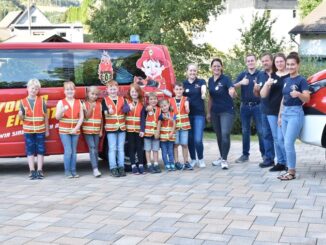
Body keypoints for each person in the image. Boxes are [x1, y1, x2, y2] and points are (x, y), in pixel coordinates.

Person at [278, 52, 310, 180]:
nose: (290, 67)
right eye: (288, 64)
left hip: (295, 114)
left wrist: (298, 94)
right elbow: (283, 99)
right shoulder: (286, 80)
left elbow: (307, 98)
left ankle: (291, 172)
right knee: (285, 143)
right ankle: (289, 169)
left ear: (298, 65)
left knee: (288, 143)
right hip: (285, 114)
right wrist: (280, 115)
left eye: (293, 64)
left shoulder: (301, 80)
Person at [234, 54, 265, 163]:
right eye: (248, 61)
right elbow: (232, 87)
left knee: (261, 131)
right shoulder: (243, 75)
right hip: (245, 106)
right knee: (245, 131)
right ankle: (245, 155)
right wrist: (241, 83)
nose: (250, 62)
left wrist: (258, 87)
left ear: (256, 61)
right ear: (246, 63)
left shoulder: (261, 74)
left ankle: (264, 155)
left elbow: (264, 87)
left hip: (258, 106)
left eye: (252, 60)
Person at [260, 53, 288, 172]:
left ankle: (288, 162)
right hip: (272, 111)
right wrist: (267, 84)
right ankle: (280, 162)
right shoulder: (272, 76)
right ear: (274, 63)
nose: (279, 64)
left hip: (285, 111)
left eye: (281, 61)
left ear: (285, 62)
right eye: (277, 62)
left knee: (283, 138)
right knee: (276, 138)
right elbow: (263, 94)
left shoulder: (289, 76)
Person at [207, 58, 236, 170]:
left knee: (225, 134)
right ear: (211, 68)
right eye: (214, 66)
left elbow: (232, 90)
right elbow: (210, 98)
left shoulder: (226, 79)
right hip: (215, 112)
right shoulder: (210, 80)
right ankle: (221, 156)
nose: (216, 68)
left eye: (218, 66)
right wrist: (208, 112)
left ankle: (224, 159)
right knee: (219, 135)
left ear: (221, 67)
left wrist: (232, 92)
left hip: (227, 111)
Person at [18, 78, 49, 180]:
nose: (33, 90)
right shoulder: (22, 102)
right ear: (27, 88)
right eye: (32, 88)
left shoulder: (42, 101)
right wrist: (20, 115)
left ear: (38, 90)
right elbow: (22, 118)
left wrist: (47, 130)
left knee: (41, 150)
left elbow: (45, 116)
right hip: (28, 131)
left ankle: (39, 170)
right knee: (30, 151)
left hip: (40, 130)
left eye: (36, 89)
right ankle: (32, 171)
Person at [56, 81, 84, 178]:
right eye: (67, 89)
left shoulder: (78, 102)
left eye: (71, 89)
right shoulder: (61, 102)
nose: (69, 91)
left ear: (74, 91)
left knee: (74, 151)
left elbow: (81, 117)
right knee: (68, 151)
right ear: (64, 91)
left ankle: (73, 171)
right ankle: (67, 171)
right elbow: (57, 117)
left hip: (75, 131)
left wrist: (76, 128)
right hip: (64, 131)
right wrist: (62, 110)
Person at [102, 80, 128, 177]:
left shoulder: (122, 99)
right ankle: (113, 167)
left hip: (121, 127)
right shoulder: (104, 100)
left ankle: (121, 167)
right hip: (111, 129)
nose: (112, 91)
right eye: (111, 89)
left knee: (120, 149)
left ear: (117, 89)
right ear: (107, 90)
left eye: (114, 89)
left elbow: (125, 110)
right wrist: (109, 111)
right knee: (112, 149)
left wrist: (128, 107)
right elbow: (104, 112)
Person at [183, 63, 206, 168]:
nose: (192, 72)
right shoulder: (184, 84)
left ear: (197, 72)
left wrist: (203, 93)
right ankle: (193, 159)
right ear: (187, 72)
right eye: (190, 70)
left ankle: (201, 158)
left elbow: (203, 89)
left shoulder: (201, 82)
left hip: (199, 115)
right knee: (190, 139)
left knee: (197, 139)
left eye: (194, 70)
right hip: (187, 116)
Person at [255, 53, 275, 168]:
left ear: (271, 61)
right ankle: (269, 159)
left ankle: (282, 160)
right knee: (266, 134)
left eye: (266, 61)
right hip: (264, 109)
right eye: (262, 61)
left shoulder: (278, 74)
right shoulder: (260, 75)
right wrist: (256, 89)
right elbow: (258, 94)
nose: (264, 63)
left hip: (277, 110)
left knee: (278, 136)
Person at [169, 82, 193, 170]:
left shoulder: (186, 99)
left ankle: (186, 162)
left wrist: (187, 107)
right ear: (173, 90)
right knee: (175, 145)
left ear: (183, 90)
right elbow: (169, 113)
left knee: (184, 144)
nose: (178, 91)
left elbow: (187, 110)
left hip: (184, 125)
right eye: (177, 89)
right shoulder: (170, 100)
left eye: (180, 89)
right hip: (174, 127)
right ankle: (176, 162)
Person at [125, 83, 146, 175]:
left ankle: (141, 165)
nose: (134, 93)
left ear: (139, 93)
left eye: (136, 91)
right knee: (131, 147)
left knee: (139, 148)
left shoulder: (142, 103)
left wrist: (142, 130)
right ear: (129, 92)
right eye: (132, 91)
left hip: (138, 130)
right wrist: (128, 108)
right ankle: (133, 165)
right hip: (129, 130)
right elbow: (123, 110)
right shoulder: (126, 101)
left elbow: (142, 118)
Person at [82, 86, 102, 177]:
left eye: (96, 94)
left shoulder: (99, 104)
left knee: (96, 149)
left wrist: (101, 130)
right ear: (88, 94)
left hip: (97, 131)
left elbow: (101, 119)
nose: (94, 96)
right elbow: (86, 116)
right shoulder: (84, 104)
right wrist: (91, 107)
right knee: (92, 148)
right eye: (92, 94)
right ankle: (95, 168)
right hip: (87, 130)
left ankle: (96, 167)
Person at [143, 92, 162, 173]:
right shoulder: (146, 109)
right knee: (147, 149)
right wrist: (146, 109)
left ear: (157, 100)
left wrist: (158, 131)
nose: (153, 101)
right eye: (151, 99)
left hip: (155, 133)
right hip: (147, 133)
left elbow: (160, 121)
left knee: (155, 149)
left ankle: (156, 164)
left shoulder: (159, 109)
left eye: (155, 99)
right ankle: (149, 164)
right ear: (148, 101)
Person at [157, 99, 176, 171]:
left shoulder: (173, 114)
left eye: (165, 106)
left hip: (171, 137)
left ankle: (172, 163)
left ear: (168, 105)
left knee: (170, 151)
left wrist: (172, 132)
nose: (164, 108)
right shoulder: (161, 115)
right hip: (163, 138)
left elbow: (174, 124)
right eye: (162, 107)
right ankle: (166, 164)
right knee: (164, 152)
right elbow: (159, 122)